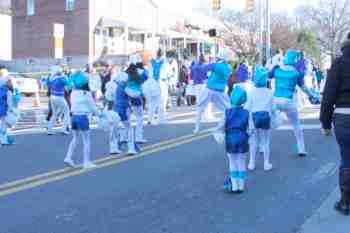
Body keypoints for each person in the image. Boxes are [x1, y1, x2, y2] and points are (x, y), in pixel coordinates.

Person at [320, 32, 350, 216]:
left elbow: (328, 96)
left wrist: (325, 123)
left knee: (346, 158)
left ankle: (345, 202)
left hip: (343, 116)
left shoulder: (338, 64)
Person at [270, 49, 318, 157]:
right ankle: (301, 149)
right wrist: (312, 95)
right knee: (296, 125)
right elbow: (304, 88)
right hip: (289, 102)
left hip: (276, 100)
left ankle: (262, 146)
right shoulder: (297, 73)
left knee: (267, 123)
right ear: (295, 60)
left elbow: (265, 76)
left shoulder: (277, 70)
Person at [64, 71, 101, 169]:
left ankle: (68, 157)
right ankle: (86, 162)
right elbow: (93, 108)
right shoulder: (86, 93)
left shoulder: (73, 92)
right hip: (83, 117)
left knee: (75, 138)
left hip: (74, 117)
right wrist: (100, 115)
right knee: (86, 140)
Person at [216, 86, 249, 193]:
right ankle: (241, 185)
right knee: (241, 161)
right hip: (243, 138)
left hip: (230, 138)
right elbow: (251, 128)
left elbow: (221, 126)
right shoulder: (246, 112)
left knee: (232, 161)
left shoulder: (227, 112)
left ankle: (234, 186)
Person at [194, 48, 232, 134]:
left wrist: (197, 64)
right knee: (228, 110)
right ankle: (220, 127)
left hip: (209, 89)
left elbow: (202, 68)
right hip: (220, 92)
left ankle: (197, 127)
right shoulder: (228, 67)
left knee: (200, 107)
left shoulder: (216, 65)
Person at [245, 66, 275, 171]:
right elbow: (273, 108)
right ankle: (266, 163)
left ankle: (251, 163)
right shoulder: (270, 92)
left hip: (254, 118)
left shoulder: (251, 92)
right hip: (266, 117)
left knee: (253, 142)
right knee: (265, 141)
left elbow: (247, 108)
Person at [47, 65, 71, 135]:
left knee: (54, 114)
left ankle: (49, 129)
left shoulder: (51, 78)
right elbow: (69, 84)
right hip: (59, 97)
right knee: (67, 112)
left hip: (52, 96)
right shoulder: (62, 78)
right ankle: (63, 129)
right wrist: (65, 76)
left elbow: (48, 84)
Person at [148, 49, 167, 124]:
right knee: (161, 102)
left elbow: (149, 73)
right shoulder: (164, 61)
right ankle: (161, 119)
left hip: (152, 82)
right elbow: (167, 73)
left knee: (152, 102)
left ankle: (150, 119)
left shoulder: (151, 61)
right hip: (161, 82)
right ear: (162, 54)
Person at [0, 68, 15, 146]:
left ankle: (3, 140)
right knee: (3, 125)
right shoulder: (7, 91)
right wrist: (11, 110)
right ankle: (3, 140)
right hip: (3, 110)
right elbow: (9, 103)